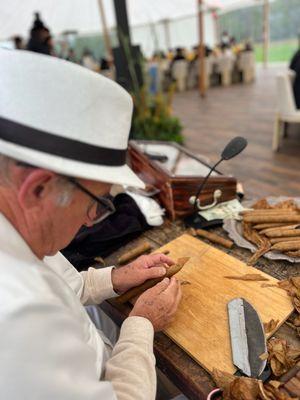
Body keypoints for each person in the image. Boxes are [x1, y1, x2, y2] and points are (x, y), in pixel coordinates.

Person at [0, 49, 182, 399]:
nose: (91, 219)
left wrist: (115, 277)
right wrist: (141, 325)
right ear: (38, 188)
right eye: (97, 202)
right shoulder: (19, 321)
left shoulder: (19, 226)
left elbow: (65, 286)